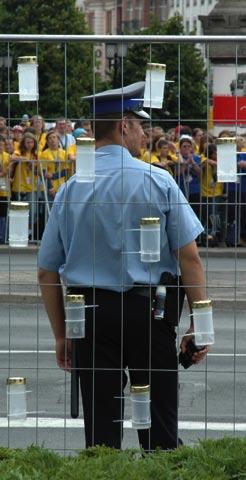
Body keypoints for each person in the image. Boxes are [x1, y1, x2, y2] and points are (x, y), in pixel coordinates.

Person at [38, 82, 208, 452]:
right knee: (160, 421)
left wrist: (61, 333)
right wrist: (201, 323)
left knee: (101, 424)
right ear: (124, 126)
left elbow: (46, 271)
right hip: (150, 309)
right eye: (141, 127)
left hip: (90, 314)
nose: (145, 135)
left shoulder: (69, 189)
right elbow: (189, 258)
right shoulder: (157, 180)